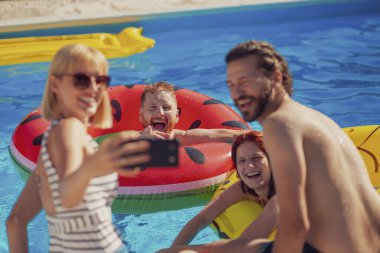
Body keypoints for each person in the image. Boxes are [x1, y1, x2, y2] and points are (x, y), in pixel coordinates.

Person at [6, 44, 152, 253]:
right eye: (81, 80)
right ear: (55, 84)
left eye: (99, 81)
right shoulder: (69, 129)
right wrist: (93, 165)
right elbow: (67, 197)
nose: (93, 88)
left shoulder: (55, 138)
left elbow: (16, 220)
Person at [170, 131, 278, 247]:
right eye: (242, 161)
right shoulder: (243, 188)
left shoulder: (285, 190)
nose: (249, 166)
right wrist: (173, 249)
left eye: (256, 158)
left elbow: (247, 244)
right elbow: (201, 219)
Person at [139, 81, 249, 145]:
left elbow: (217, 134)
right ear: (141, 116)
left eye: (166, 107)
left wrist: (258, 136)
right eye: (152, 108)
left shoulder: (182, 138)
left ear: (177, 116)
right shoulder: (133, 139)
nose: (160, 113)